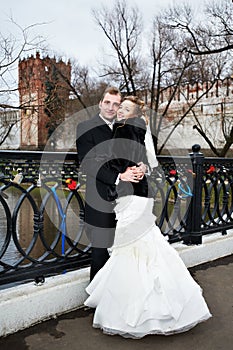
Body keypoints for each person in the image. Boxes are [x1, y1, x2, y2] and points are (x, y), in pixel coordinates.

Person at [84, 96, 212, 338]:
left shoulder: (122, 129)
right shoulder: (141, 130)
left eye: (124, 108)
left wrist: (122, 172)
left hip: (130, 197)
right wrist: (140, 167)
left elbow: (115, 160)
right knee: (148, 246)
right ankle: (168, 303)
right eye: (118, 107)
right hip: (142, 197)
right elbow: (146, 162)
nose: (119, 110)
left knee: (130, 250)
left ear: (133, 114)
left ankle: (134, 312)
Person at [76, 87, 144, 281]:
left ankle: (120, 298)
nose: (111, 107)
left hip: (127, 200)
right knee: (100, 252)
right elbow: (88, 162)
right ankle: (97, 301)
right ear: (100, 103)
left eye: (116, 104)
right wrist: (119, 175)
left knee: (123, 252)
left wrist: (141, 167)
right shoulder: (85, 126)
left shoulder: (126, 127)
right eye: (107, 102)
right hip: (99, 197)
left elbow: (138, 154)